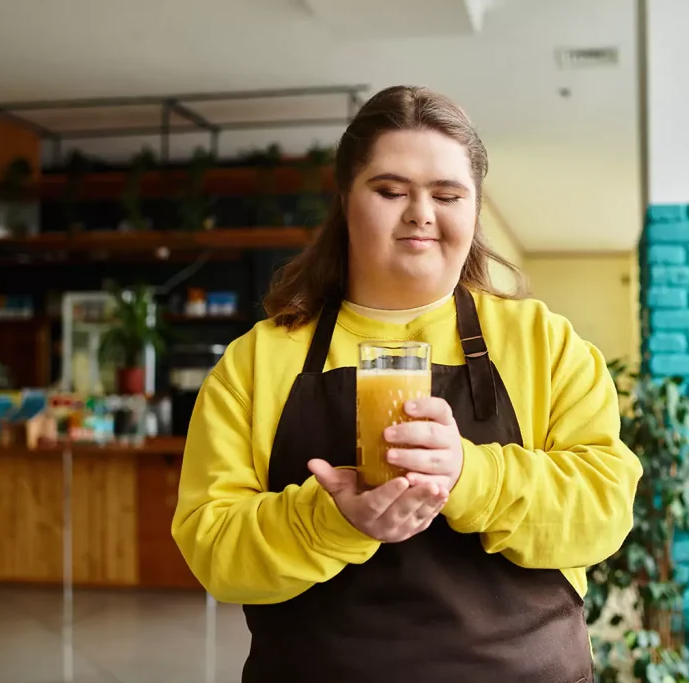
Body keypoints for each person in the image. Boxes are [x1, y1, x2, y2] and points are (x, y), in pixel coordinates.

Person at [171, 85, 643, 683]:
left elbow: (605, 511)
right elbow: (212, 548)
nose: (421, 212)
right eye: (391, 191)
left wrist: (470, 476)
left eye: (447, 195)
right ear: (346, 201)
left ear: (473, 211)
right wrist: (331, 521)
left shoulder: (545, 344)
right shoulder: (256, 362)